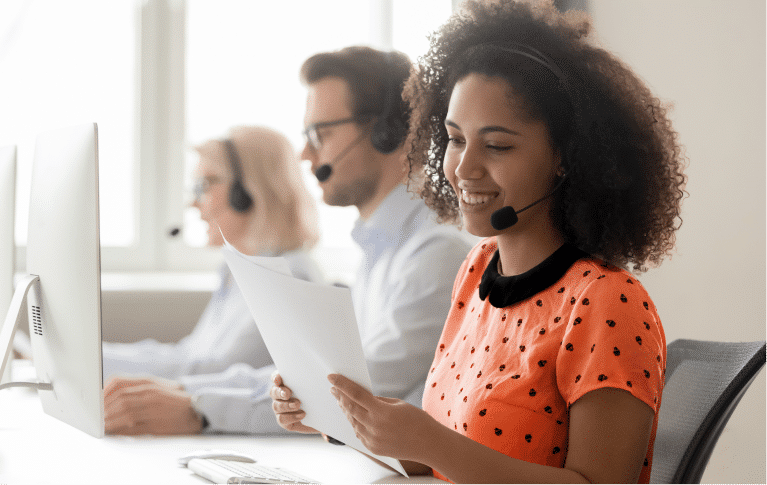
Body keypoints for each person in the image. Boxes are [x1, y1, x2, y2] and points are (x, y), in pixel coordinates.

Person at [272, 0, 687, 482]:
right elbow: (449, 458)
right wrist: (341, 417)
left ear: (566, 157)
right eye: (454, 139)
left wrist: (430, 441)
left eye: (497, 145)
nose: (464, 169)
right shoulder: (476, 271)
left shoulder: (606, 303)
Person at [170, 46, 473, 435]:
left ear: (386, 133)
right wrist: (186, 393)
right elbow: (317, 376)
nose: (305, 153)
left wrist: (200, 408)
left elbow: (354, 392)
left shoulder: (435, 254)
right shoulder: (379, 253)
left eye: (321, 134)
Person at [102, 125, 322, 435]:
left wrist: (91, 362)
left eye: (206, 185)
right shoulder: (237, 271)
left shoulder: (289, 277)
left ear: (247, 192)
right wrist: (91, 355)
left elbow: (211, 371)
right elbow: (189, 356)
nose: (194, 204)